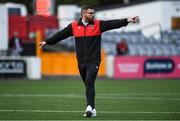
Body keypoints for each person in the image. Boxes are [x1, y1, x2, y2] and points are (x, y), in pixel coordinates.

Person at [38, 5, 138, 117]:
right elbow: (61, 35)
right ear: (83, 14)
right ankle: (93, 109)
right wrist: (47, 42)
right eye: (90, 13)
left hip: (94, 61)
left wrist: (127, 20)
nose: (93, 15)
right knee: (88, 85)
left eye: (93, 13)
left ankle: (89, 107)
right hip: (81, 62)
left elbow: (113, 24)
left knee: (89, 81)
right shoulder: (74, 26)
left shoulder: (98, 25)